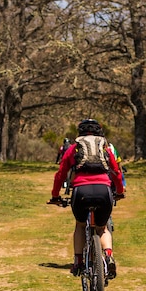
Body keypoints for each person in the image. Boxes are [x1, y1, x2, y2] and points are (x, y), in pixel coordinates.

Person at [47, 119, 125, 279]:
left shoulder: (74, 149)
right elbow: (117, 172)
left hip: (81, 191)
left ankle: (78, 262)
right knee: (102, 228)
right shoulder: (104, 148)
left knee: (81, 225)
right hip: (103, 190)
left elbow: (61, 174)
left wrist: (55, 196)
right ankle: (108, 256)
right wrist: (119, 191)